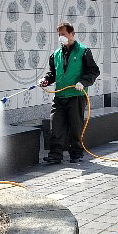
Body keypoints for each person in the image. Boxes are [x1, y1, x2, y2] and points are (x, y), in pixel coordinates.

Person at [38, 22, 100, 164]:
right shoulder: (56, 54)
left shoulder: (83, 51)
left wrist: (83, 82)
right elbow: (52, 73)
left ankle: (76, 153)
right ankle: (55, 155)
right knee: (56, 125)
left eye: (64, 34)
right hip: (60, 96)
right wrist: (46, 80)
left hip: (76, 95)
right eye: (59, 35)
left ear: (72, 34)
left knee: (75, 125)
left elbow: (94, 71)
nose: (61, 37)